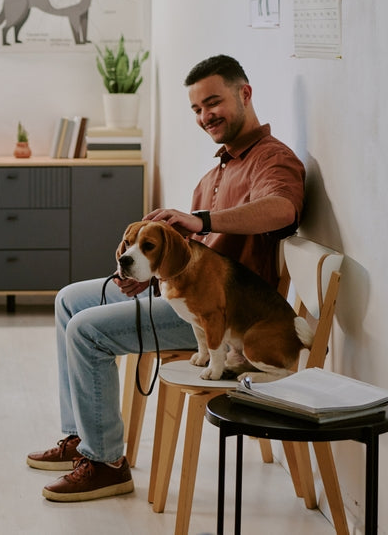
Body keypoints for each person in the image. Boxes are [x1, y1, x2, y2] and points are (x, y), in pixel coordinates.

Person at [27, 54, 306, 502]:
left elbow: (283, 209)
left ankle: (106, 463)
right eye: (196, 109)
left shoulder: (272, 160)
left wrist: (201, 218)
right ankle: (81, 435)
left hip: (223, 314)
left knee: (87, 331)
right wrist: (150, 272)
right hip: (184, 293)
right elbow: (193, 256)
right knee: (69, 300)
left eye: (213, 103)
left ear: (245, 94)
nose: (205, 116)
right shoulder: (220, 167)